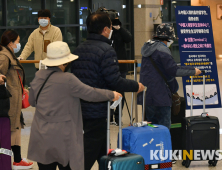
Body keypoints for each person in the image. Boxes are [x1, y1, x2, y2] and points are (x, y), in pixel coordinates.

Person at [27, 41, 122, 170]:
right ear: (65, 62)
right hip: (63, 137)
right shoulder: (68, 79)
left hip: (41, 135)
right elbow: (90, 93)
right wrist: (111, 94)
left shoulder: (38, 76)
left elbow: (32, 101)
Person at [71, 12, 145, 170]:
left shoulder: (78, 49)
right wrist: (135, 85)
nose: (112, 29)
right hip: (97, 108)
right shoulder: (106, 50)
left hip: (80, 107)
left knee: (101, 147)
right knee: (90, 149)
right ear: (105, 29)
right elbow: (114, 80)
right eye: (111, 27)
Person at [138, 23, 202, 129]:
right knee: (164, 129)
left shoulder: (148, 48)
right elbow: (174, 70)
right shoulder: (162, 50)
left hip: (147, 95)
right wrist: (193, 71)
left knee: (150, 128)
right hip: (160, 96)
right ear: (168, 38)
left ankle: (153, 146)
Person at [0, 30, 33, 169]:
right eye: (18, 41)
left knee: (16, 127)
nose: (19, 44)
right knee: (13, 128)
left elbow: (13, 76)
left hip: (14, 96)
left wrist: (21, 87)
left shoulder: (9, 53)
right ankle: (14, 160)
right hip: (9, 99)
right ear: (10, 43)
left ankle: (17, 159)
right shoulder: (4, 56)